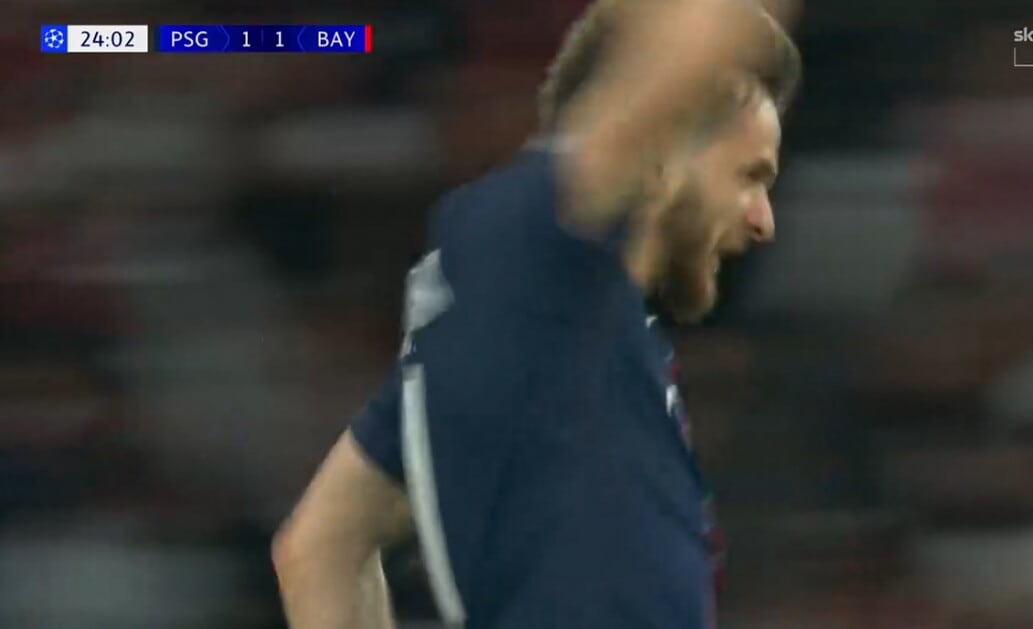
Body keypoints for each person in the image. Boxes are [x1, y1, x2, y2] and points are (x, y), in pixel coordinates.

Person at [272, 0, 801, 627]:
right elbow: (708, 25)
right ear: (663, 155)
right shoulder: (530, 237)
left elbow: (320, 547)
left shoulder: (542, 331)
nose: (763, 220)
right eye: (749, 176)